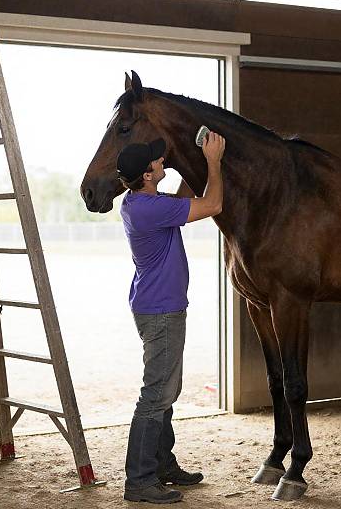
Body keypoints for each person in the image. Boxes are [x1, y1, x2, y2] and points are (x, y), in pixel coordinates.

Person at [116, 131, 225, 504]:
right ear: (147, 175)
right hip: (162, 311)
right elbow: (211, 204)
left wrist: (180, 163)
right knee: (155, 396)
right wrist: (212, 160)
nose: (161, 161)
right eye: (157, 161)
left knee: (166, 391)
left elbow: (178, 203)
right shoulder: (151, 209)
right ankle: (140, 481)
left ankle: (162, 466)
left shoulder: (139, 202)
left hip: (155, 306)